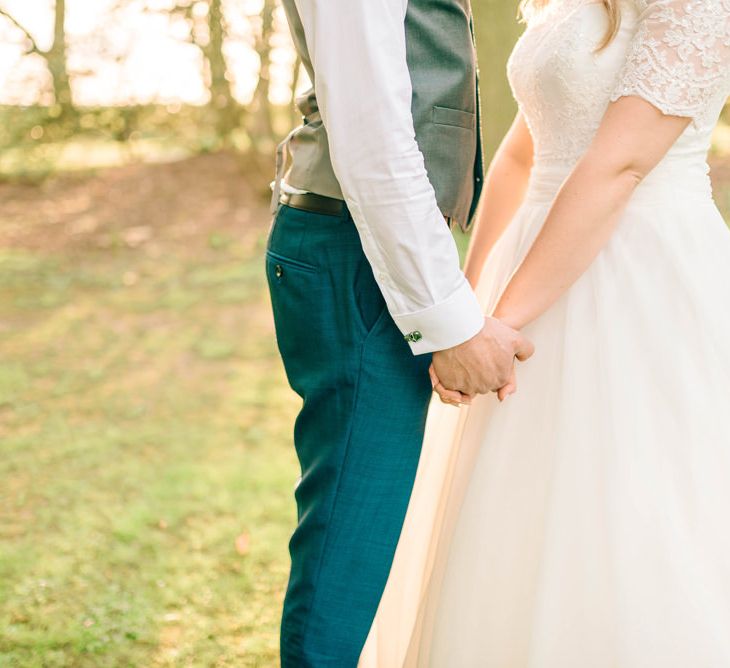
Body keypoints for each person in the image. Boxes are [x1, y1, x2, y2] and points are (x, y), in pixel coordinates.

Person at [359, 0, 730, 665]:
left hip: (639, 270)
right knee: (515, 514)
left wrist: (507, 321)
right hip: (527, 262)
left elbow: (620, 165)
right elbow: (523, 153)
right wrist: (469, 311)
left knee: (633, 503)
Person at [265, 0, 534, 665]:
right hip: (355, 244)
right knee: (350, 536)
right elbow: (371, 133)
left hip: (360, 240)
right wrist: (448, 320)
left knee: (361, 526)